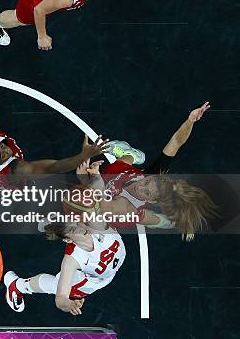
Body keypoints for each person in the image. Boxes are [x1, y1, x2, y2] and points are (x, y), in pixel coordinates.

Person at [0, 41, 109, 189]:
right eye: (2, 154)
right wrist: (83, 156)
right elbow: (54, 167)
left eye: (0, 147)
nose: (6, 149)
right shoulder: (15, 170)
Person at [67, 102, 218, 240]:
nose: (140, 186)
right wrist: (190, 120)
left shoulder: (126, 209)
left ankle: (171, 223)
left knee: (152, 220)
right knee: (123, 166)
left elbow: (97, 206)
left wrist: (86, 180)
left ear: (151, 200)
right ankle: (132, 155)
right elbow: (177, 142)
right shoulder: (147, 178)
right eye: (146, 182)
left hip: (108, 208)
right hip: (113, 183)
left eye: (146, 192)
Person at [4, 220, 125, 315]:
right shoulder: (72, 259)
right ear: (68, 239)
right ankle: (18, 286)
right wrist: (68, 304)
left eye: (77, 221)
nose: (80, 228)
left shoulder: (95, 223)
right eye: (73, 229)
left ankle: (48, 220)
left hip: (110, 270)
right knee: (57, 286)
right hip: (95, 281)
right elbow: (60, 298)